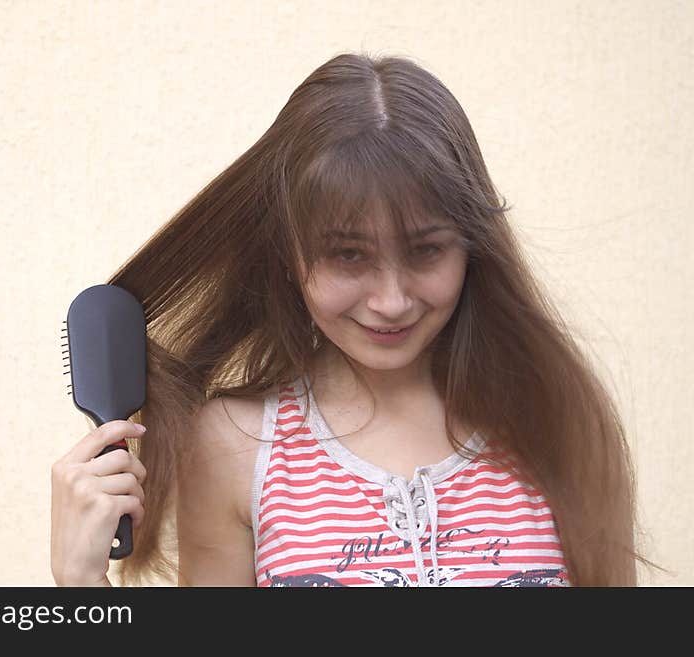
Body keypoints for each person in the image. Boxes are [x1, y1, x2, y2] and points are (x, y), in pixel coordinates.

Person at [50, 51, 655, 587]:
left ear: (473, 246)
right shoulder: (236, 446)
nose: (391, 300)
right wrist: (81, 586)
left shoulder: (557, 416)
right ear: (288, 253)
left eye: (425, 250)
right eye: (348, 254)